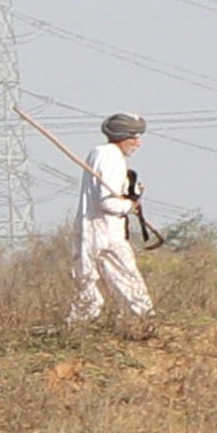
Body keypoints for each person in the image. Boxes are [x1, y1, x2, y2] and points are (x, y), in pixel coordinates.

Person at [70, 110, 156, 328]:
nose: (138, 144)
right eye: (135, 138)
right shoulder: (112, 158)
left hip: (89, 227)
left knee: (87, 284)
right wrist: (130, 205)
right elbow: (108, 203)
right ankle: (143, 322)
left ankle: (78, 328)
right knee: (127, 279)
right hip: (106, 230)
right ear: (122, 137)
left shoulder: (98, 153)